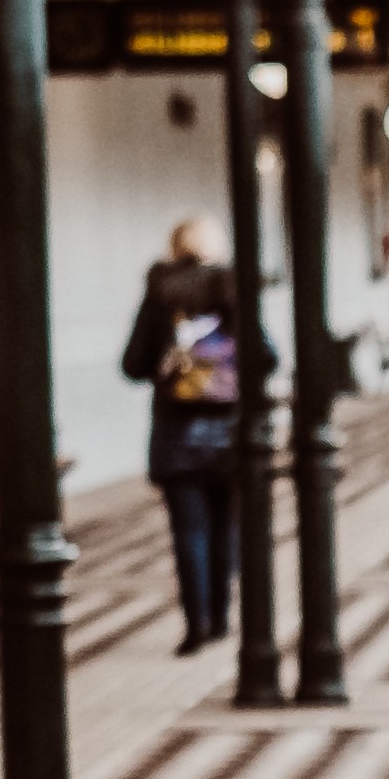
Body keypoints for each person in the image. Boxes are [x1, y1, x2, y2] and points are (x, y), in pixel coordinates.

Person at [121, 217, 270, 652]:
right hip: (231, 431)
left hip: (176, 435)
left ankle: (195, 625)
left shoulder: (160, 296)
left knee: (190, 531)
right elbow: (267, 355)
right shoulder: (233, 292)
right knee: (227, 527)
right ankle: (223, 617)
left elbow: (132, 364)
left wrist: (165, 366)